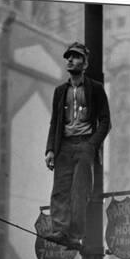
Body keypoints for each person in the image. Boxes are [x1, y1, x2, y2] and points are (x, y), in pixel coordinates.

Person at [45, 42, 111, 247]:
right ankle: (60, 231)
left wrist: (92, 145)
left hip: (85, 145)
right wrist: (50, 150)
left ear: (85, 63)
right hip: (64, 145)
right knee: (60, 190)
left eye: (76, 57)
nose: (70, 60)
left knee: (80, 191)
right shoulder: (60, 91)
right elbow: (55, 121)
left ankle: (74, 235)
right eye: (69, 57)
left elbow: (106, 121)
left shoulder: (96, 89)